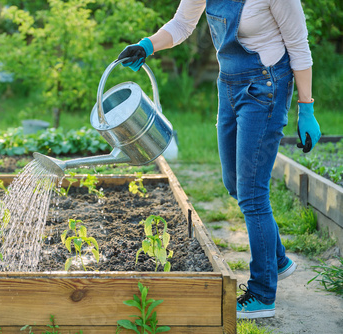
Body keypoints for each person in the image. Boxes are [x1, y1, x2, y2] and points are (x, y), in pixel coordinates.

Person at [118, 0, 321, 319]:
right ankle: (276, 259)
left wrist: (306, 107)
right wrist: (147, 45)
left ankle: (263, 292)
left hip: (266, 86)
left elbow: (298, 45)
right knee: (234, 183)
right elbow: (183, 24)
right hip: (229, 85)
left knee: (253, 193)